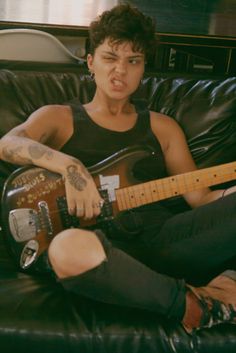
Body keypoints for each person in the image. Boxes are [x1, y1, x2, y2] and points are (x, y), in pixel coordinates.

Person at [0, 4, 236, 334]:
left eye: (133, 61)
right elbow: (9, 143)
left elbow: (201, 198)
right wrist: (71, 167)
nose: (120, 71)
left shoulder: (163, 127)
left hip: (165, 241)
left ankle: (204, 295)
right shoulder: (59, 117)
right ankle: (194, 303)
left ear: (143, 69)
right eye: (110, 57)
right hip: (103, 255)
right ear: (91, 62)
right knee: (66, 249)